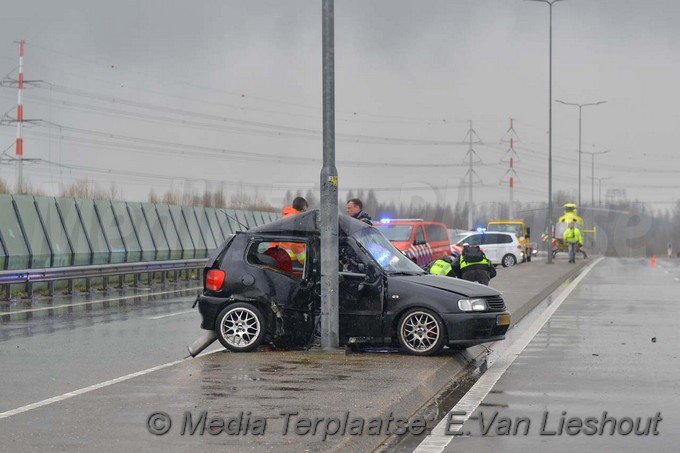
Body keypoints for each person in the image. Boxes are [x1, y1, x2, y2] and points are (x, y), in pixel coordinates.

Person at [270, 197, 308, 265]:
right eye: (305, 210)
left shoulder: (287, 216)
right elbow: (295, 244)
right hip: (289, 259)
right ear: (303, 208)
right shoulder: (296, 219)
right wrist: (305, 262)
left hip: (279, 255)